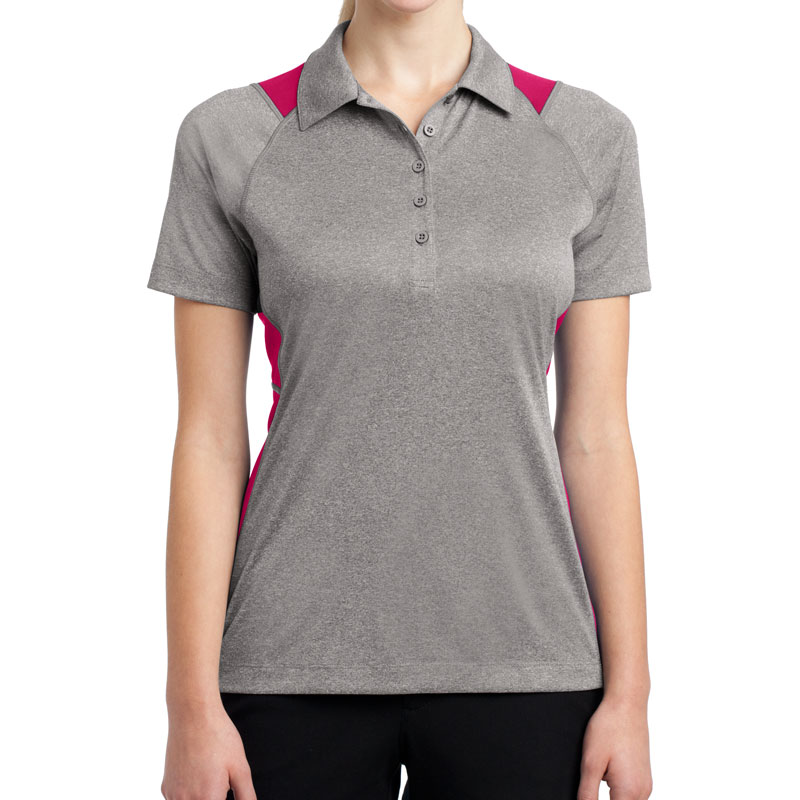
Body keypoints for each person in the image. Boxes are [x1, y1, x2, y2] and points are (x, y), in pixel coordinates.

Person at [147, 1, 654, 798]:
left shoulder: (586, 137)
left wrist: (631, 696)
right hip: (288, 667)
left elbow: (596, 436)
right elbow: (209, 438)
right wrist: (189, 705)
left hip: (527, 662)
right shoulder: (231, 136)